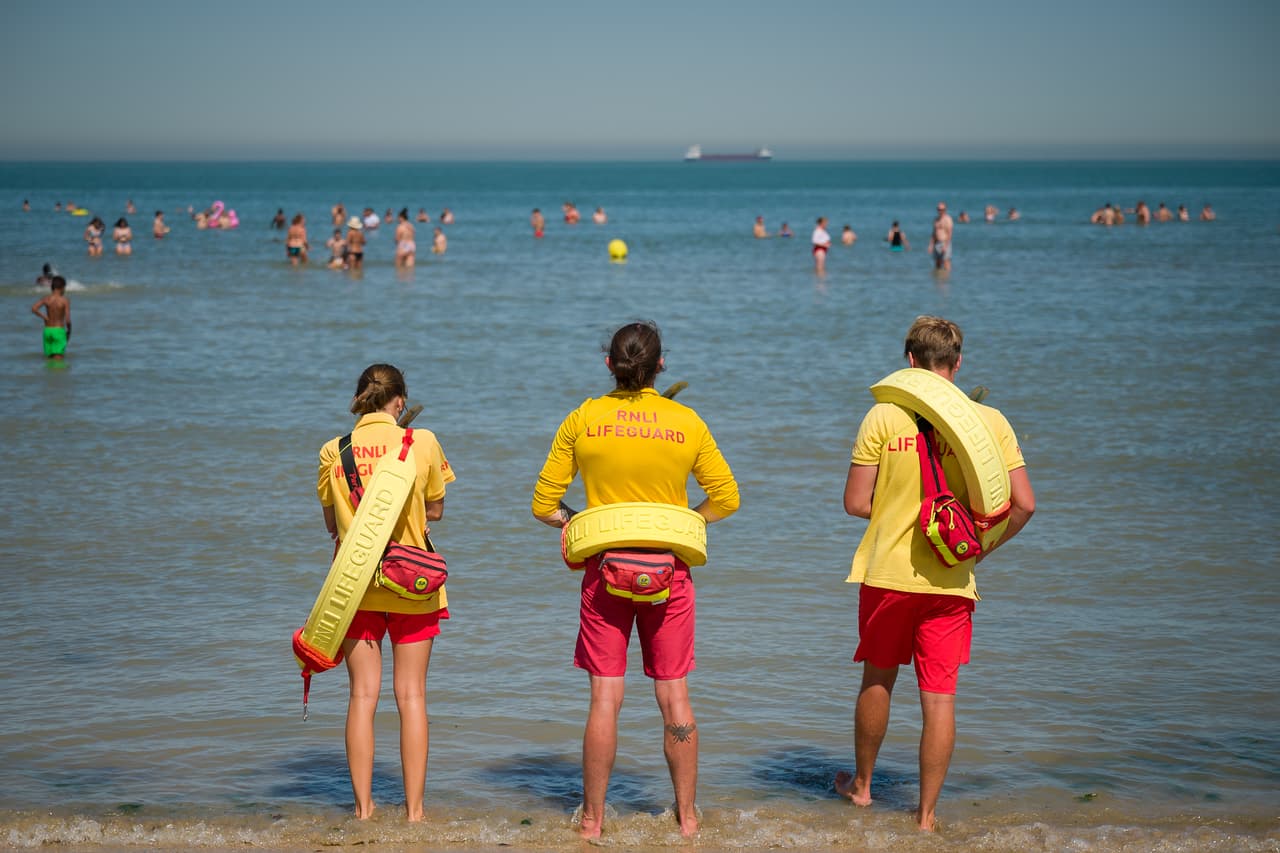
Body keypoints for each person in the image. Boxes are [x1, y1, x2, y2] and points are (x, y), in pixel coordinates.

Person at [531, 321, 740, 840]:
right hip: (669, 571)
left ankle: (592, 821)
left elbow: (542, 505)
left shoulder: (584, 417)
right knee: (675, 697)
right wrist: (682, 521)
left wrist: (581, 520)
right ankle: (688, 819)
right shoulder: (685, 421)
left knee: (606, 697)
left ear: (610, 365)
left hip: (605, 570)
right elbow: (727, 498)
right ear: (660, 366)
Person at [835, 316, 1036, 832]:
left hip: (888, 576)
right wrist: (976, 551)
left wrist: (899, 505)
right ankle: (925, 818)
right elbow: (1023, 506)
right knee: (939, 697)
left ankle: (862, 787)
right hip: (952, 580)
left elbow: (856, 503)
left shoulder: (883, 416)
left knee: (878, 677)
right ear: (958, 362)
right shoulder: (991, 420)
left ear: (909, 362)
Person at [317, 363, 456, 822]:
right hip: (414, 582)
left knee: (362, 697)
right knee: (412, 696)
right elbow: (435, 509)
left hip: (355, 588)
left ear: (361, 399)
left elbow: (334, 527)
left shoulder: (332, 452)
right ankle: (415, 812)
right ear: (400, 403)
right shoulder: (422, 441)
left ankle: (363, 809)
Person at [31, 275, 71, 360]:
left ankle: (49, 373)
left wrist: (44, 317)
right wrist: (69, 331)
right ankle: (58, 373)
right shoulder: (64, 300)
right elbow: (67, 320)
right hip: (58, 331)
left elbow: (34, 308)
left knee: (49, 358)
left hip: (47, 331)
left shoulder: (47, 299)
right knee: (58, 359)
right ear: (62, 287)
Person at [928, 203, 953, 271]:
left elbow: (949, 234)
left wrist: (945, 246)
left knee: (946, 262)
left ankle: (947, 279)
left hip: (944, 242)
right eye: (939, 209)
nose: (940, 211)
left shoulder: (948, 219)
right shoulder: (936, 220)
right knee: (937, 263)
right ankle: (938, 279)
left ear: (945, 210)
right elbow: (933, 233)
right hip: (936, 243)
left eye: (942, 209)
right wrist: (931, 245)